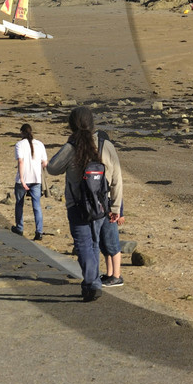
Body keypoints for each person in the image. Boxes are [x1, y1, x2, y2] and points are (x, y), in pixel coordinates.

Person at [46, 106, 123, 302]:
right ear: (92, 123)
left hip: (77, 205)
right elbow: (117, 179)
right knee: (94, 244)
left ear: (71, 125)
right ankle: (92, 283)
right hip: (100, 206)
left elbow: (53, 169)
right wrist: (115, 207)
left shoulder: (71, 147)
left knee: (83, 245)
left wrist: (68, 145)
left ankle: (92, 282)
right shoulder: (106, 145)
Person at [96, 129, 126, 288]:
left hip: (110, 207)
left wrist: (119, 212)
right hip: (106, 205)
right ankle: (109, 274)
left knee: (112, 243)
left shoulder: (109, 165)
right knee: (105, 244)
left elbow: (118, 191)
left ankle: (117, 275)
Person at [12, 123, 48, 240]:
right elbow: (45, 163)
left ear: (21, 132)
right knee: (36, 205)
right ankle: (39, 231)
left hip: (24, 179)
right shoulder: (40, 144)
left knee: (19, 203)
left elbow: (20, 162)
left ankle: (20, 227)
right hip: (36, 179)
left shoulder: (19, 145)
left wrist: (22, 179)